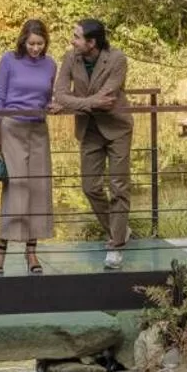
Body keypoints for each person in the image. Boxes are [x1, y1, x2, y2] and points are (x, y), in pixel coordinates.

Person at [51, 18, 132, 269]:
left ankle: (115, 246)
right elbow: (60, 93)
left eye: (76, 37)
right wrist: (86, 103)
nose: (71, 40)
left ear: (91, 42)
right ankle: (120, 230)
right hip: (89, 130)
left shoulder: (117, 59)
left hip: (117, 127)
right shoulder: (70, 58)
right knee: (90, 187)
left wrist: (73, 103)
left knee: (119, 186)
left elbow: (107, 99)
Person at [0, 18, 56, 274]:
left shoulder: (51, 64)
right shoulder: (9, 60)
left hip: (38, 128)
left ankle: (32, 252)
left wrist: (53, 105)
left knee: (39, 187)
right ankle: (0, 248)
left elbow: (48, 97)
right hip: (12, 126)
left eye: (40, 44)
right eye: (31, 43)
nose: (36, 48)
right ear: (23, 41)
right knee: (16, 187)